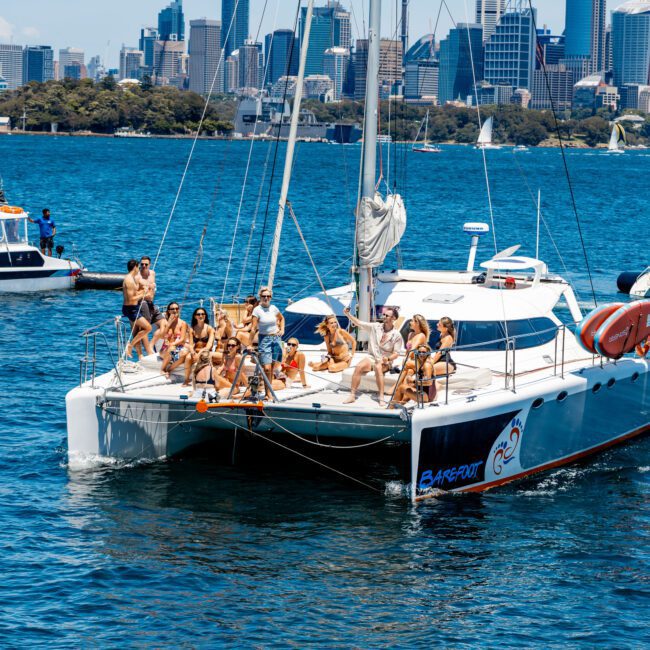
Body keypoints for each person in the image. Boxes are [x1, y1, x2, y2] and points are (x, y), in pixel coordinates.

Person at [343, 306, 404, 406]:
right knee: (359, 366)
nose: (384, 316)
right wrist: (347, 314)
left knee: (378, 366)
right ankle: (352, 395)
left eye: (387, 315)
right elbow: (359, 323)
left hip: (386, 361)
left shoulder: (396, 335)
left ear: (393, 318)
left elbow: (396, 353)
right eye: (383, 314)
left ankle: (381, 397)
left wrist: (388, 359)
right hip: (372, 357)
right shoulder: (375, 326)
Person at [250, 286, 284, 399]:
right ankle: (267, 393)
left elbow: (282, 318)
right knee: (267, 368)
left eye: (268, 296)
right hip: (264, 339)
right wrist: (250, 344)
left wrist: (282, 330)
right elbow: (254, 328)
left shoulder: (274, 308)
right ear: (260, 297)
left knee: (272, 368)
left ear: (271, 297)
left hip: (276, 339)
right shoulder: (257, 310)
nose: (266, 298)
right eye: (263, 296)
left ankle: (269, 392)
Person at [122, 259, 153, 359]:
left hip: (133, 308)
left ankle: (138, 354)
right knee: (148, 328)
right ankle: (130, 346)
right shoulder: (129, 280)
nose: (139, 269)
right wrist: (143, 294)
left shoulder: (131, 278)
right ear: (135, 267)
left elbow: (134, 294)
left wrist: (143, 291)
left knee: (137, 331)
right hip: (131, 309)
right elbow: (131, 299)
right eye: (139, 267)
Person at [137, 256, 167, 348]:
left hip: (152, 304)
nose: (144, 266)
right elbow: (134, 295)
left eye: (146, 264)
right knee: (146, 328)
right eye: (142, 264)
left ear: (150, 265)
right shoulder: (137, 277)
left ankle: (153, 345)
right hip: (142, 304)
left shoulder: (152, 274)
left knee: (165, 324)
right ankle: (148, 350)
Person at [182, 307, 215, 386]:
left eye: (203, 314)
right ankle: (186, 380)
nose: (201, 316)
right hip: (195, 352)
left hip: (205, 352)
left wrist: (199, 353)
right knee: (188, 358)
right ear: (195, 316)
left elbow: (209, 345)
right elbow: (190, 344)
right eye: (198, 314)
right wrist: (193, 352)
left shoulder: (209, 329)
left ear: (205, 316)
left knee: (205, 357)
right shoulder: (192, 329)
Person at [160, 302, 188, 377]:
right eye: (172, 309)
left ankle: (169, 369)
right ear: (169, 311)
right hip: (165, 349)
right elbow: (162, 336)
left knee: (184, 354)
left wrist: (173, 344)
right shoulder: (164, 322)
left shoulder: (183, 323)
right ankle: (162, 369)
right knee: (171, 349)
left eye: (176, 308)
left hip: (177, 348)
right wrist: (168, 324)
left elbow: (182, 339)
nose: (175, 310)